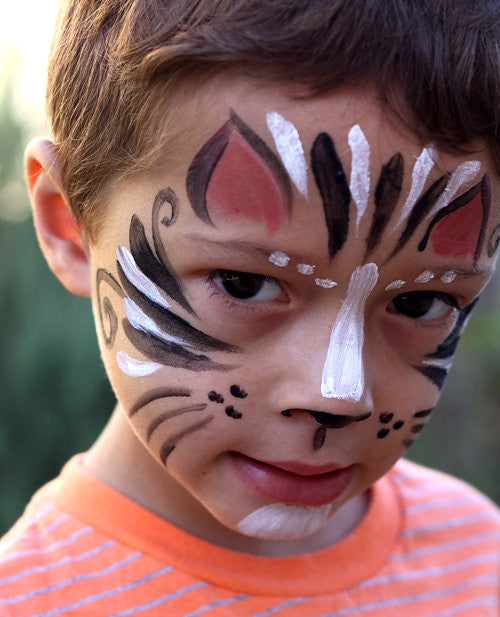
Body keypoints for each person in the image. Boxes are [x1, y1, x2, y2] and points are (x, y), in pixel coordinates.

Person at [1, 0, 499, 614]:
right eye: (243, 284)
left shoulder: (479, 558)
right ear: (71, 226)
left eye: (422, 301)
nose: (338, 393)